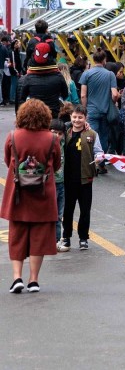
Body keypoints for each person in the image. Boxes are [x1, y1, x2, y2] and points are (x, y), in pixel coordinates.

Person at [1, 99, 61, 293]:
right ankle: (33, 280)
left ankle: (17, 278)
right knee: (39, 237)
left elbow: (8, 160)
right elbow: (57, 164)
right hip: (43, 193)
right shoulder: (52, 138)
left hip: (18, 193)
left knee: (17, 236)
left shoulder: (13, 136)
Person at [57, 105, 103, 252]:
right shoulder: (65, 132)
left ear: (86, 118)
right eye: (74, 117)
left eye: (80, 117)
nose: (77, 120)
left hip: (85, 179)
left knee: (85, 210)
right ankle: (67, 237)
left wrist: (98, 159)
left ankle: (83, 238)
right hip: (68, 179)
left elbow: (99, 151)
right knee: (68, 211)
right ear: (71, 117)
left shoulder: (92, 134)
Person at [79, 50, 119, 174]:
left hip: (91, 110)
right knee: (103, 138)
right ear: (104, 60)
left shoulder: (86, 74)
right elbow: (115, 94)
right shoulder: (110, 74)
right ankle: (101, 164)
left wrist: (85, 109)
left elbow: (83, 95)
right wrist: (113, 101)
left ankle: (91, 165)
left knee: (91, 137)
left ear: (93, 60)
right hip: (105, 110)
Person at [50, 119, 66, 247]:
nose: (57, 136)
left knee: (59, 215)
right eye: (53, 132)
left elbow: (70, 125)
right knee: (50, 214)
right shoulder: (47, 146)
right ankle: (48, 240)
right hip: (50, 185)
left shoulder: (64, 144)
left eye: (60, 133)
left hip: (62, 184)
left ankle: (56, 241)